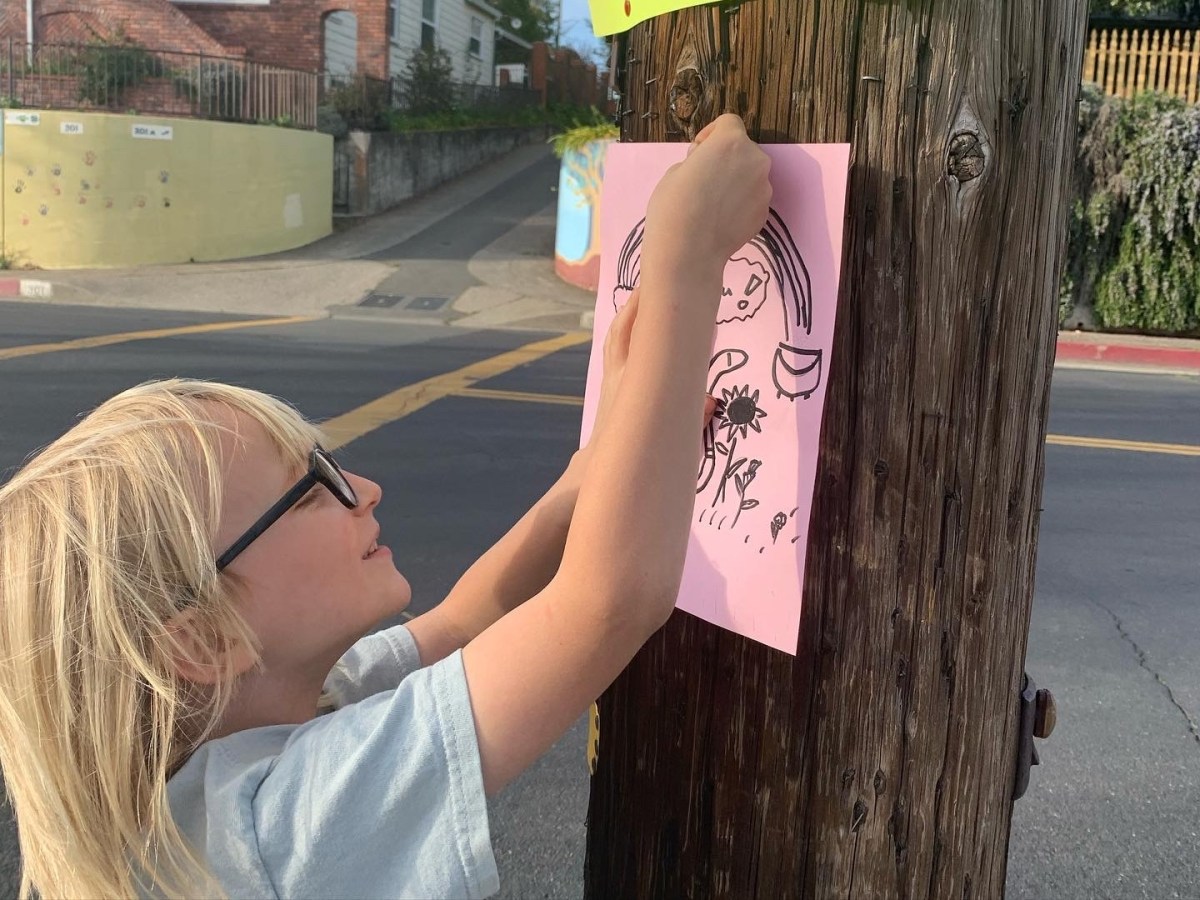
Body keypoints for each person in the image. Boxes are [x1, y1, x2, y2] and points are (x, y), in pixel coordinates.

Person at [0, 113, 771, 899]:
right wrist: (687, 259)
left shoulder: (273, 716)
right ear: (200, 637)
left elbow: (469, 619)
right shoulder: (277, 831)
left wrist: (593, 465)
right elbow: (607, 603)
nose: (363, 489)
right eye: (312, 492)